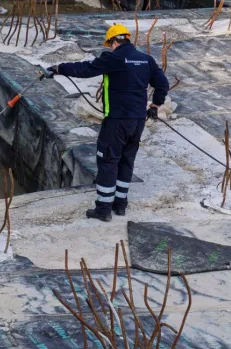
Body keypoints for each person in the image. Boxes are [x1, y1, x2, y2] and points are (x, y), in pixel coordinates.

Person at [46, 24, 169, 222]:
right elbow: (162, 84)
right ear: (127, 39)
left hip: (116, 121)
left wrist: (58, 68)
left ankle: (103, 208)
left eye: (109, 44)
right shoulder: (146, 59)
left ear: (113, 42)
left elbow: (85, 69)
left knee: (108, 161)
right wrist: (155, 105)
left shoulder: (114, 57)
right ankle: (120, 205)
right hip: (137, 121)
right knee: (126, 160)